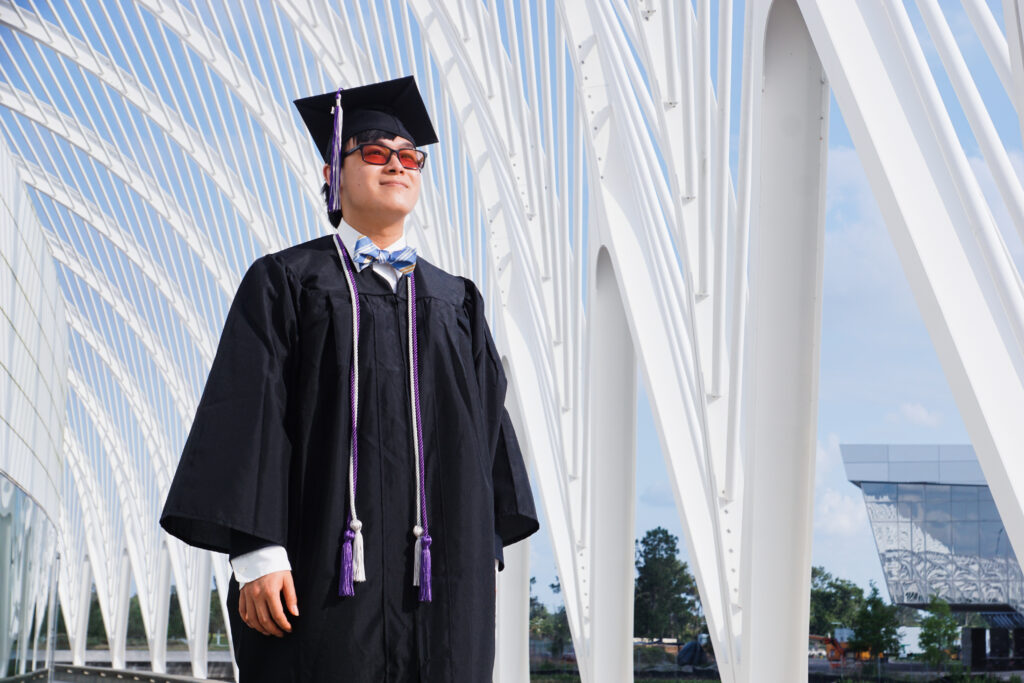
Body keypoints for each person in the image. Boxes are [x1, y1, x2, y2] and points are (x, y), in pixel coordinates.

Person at [160, 76, 539, 682]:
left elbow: (484, 431)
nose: (397, 164)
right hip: (320, 572)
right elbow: (251, 415)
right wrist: (257, 553)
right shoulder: (287, 281)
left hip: (441, 580)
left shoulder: (456, 301)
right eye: (374, 152)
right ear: (333, 175)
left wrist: (478, 545)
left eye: (409, 156)